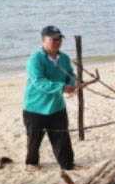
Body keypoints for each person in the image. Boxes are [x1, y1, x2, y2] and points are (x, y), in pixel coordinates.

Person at [22, 25, 76, 171]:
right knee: (34, 138)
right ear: (43, 40)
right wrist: (61, 87)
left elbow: (70, 75)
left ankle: (67, 165)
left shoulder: (64, 58)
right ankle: (31, 163)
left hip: (56, 106)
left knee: (62, 137)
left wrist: (72, 84)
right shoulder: (35, 59)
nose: (57, 42)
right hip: (35, 106)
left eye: (59, 39)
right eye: (53, 39)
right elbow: (39, 81)